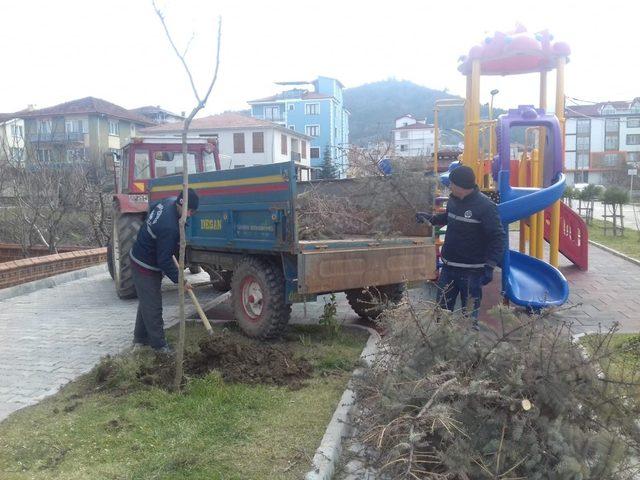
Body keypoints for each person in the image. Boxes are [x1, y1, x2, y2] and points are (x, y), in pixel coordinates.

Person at [416, 166, 504, 329]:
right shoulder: (453, 200)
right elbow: (448, 217)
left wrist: (490, 265)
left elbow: (498, 238)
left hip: (472, 273)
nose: (449, 186)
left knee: (469, 319)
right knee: (441, 315)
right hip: (449, 270)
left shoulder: (486, 207)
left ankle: (469, 352)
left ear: (461, 185)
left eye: (451, 183)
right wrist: (431, 218)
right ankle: (442, 348)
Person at [129, 188, 200, 353]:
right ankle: (160, 347)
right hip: (144, 264)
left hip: (144, 257)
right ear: (181, 204)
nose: (189, 215)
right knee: (153, 306)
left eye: (192, 212)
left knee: (147, 302)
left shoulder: (169, 201)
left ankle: (140, 339)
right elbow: (164, 260)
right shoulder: (169, 228)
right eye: (189, 211)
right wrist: (181, 281)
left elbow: (152, 206)